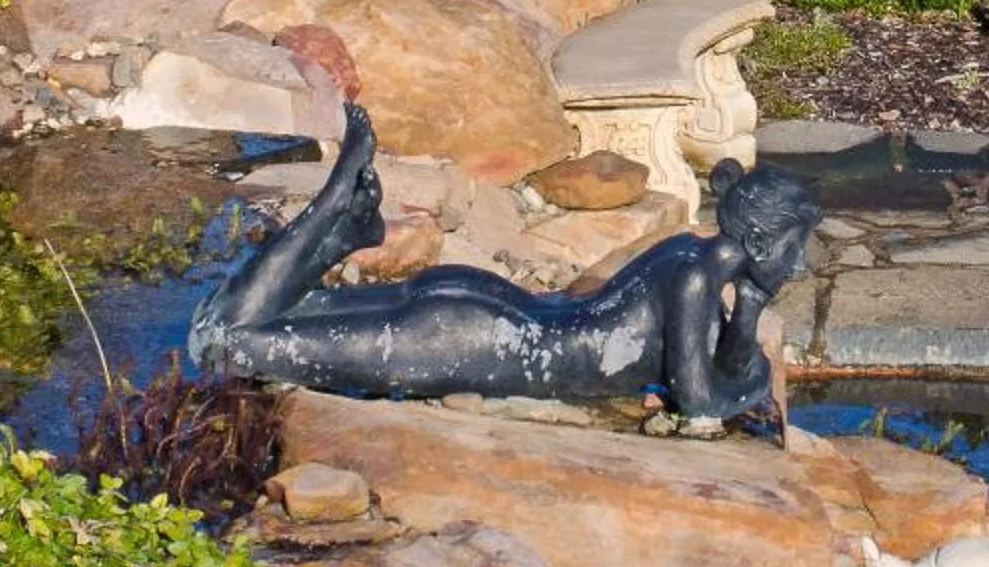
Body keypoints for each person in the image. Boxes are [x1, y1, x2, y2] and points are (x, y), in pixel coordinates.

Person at [189, 104, 817, 432]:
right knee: (226, 345)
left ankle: (339, 226)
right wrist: (753, 377)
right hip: (472, 343)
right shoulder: (695, 276)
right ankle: (334, 207)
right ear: (764, 239)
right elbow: (703, 400)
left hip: (483, 318)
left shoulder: (693, 260)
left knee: (244, 327)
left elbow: (727, 367)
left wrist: (755, 305)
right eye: (797, 243)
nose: (802, 258)